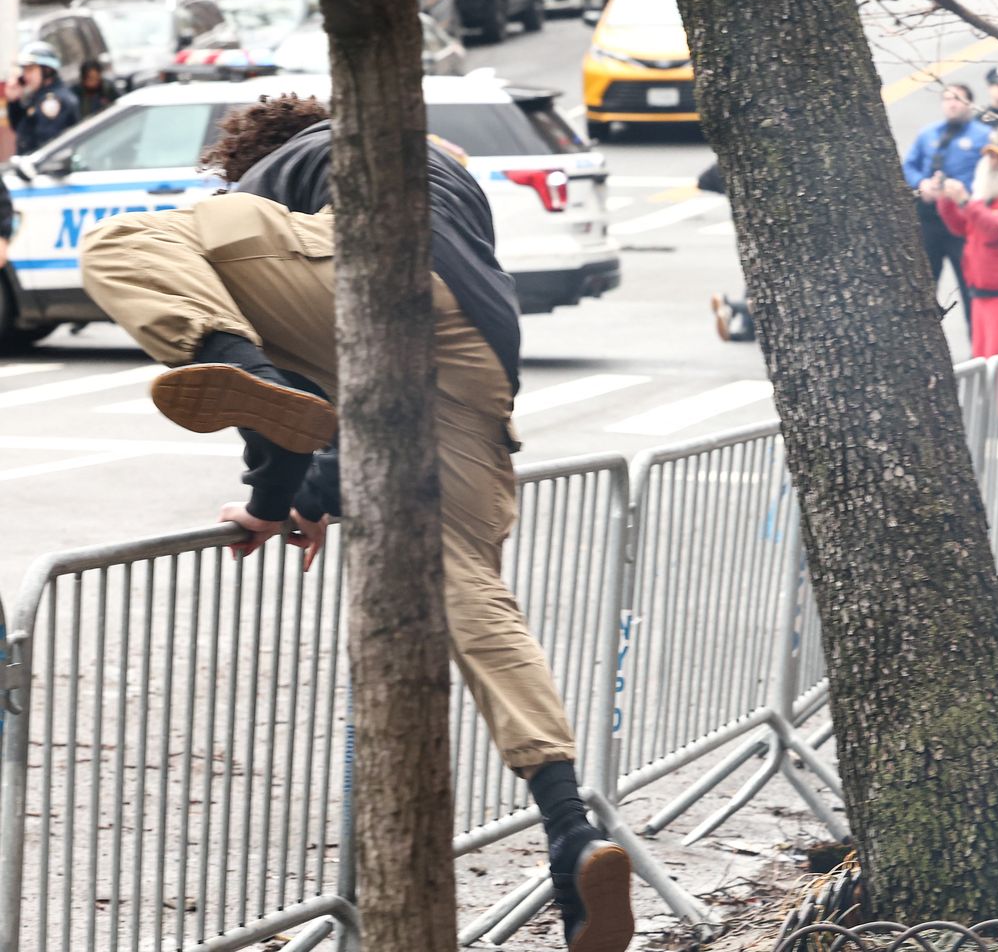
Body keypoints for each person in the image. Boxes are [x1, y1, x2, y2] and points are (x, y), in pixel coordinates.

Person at [78, 96, 636, 952]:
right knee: (473, 597)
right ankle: (572, 829)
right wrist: (298, 495)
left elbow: (315, 388)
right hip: (476, 354)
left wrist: (269, 481)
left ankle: (228, 358)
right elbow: (367, 404)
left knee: (125, 243)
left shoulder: (292, 164)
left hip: (372, 280)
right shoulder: (447, 171)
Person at [938, 123, 998, 358]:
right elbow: (965, 228)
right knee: (981, 358)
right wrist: (947, 201)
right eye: (990, 156)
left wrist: (965, 202)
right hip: (981, 288)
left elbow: (997, 227)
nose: (993, 163)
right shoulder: (986, 195)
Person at [902, 84, 993, 323]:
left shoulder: (983, 136)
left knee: (970, 285)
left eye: (958, 99)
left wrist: (961, 192)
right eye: (947, 99)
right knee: (923, 283)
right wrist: (921, 184)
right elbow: (908, 166)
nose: (952, 104)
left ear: (970, 104)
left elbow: (992, 177)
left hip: (962, 221)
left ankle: (979, 346)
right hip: (929, 218)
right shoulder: (928, 134)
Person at [695, 162, 755, 342]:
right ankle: (734, 307)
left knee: (757, 282)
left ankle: (746, 327)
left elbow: (704, 181)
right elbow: (705, 180)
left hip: (749, 234)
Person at [7, 41, 78, 155]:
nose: (25, 76)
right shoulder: (39, 96)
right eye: (24, 70)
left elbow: (46, 145)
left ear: (47, 70)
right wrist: (14, 101)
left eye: (30, 70)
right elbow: (20, 127)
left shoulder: (52, 101)